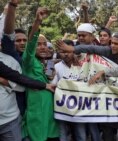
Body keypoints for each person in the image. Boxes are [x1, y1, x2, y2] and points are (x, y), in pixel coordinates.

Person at [21, 7, 59, 141]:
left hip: (51, 113)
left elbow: (50, 79)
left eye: (45, 44)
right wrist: (37, 21)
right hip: (37, 111)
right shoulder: (28, 62)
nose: (42, 47)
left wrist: (51, 76)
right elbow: (30, 46)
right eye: (39, 44)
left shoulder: (48, 63)